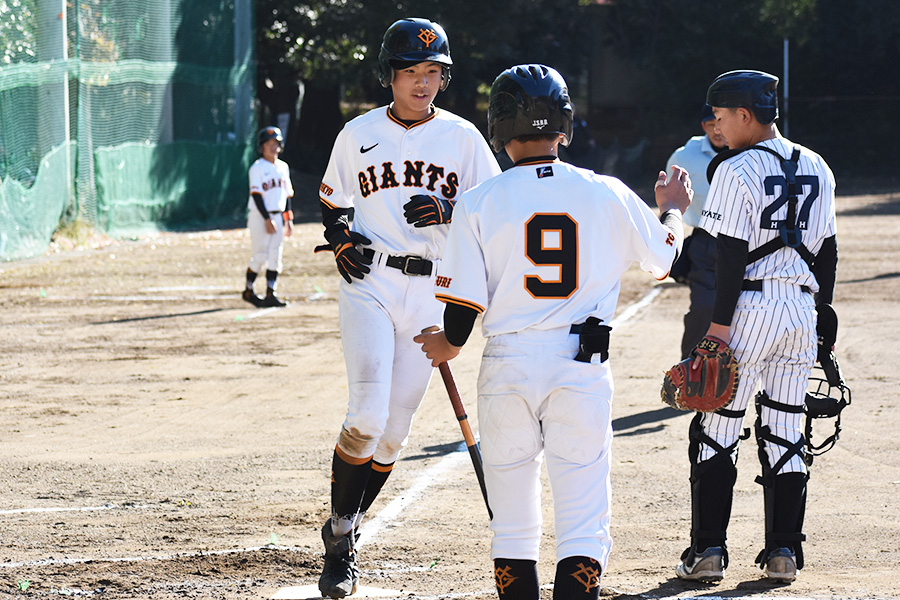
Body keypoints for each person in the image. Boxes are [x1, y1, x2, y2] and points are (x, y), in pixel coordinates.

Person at [414, 64, 692, 600]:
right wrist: (673, 211)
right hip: (579, 368)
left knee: (513, 524)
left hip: (508, 366)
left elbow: (460, 318)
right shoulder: (605, 191)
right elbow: (664, 260)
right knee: (583, 518)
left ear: (498, 127)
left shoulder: (477, 202)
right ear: (565, 124)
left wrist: (443, 344)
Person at [314, 17, 501, 599]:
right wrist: (341, 238)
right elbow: (333, 203)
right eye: (410, 72)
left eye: (432, 72)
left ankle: (348, 517)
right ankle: (343, 535)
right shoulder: (358, 133)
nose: (422, 83)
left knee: (393, 434)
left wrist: (448, 214)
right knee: (367, 415)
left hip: (431, 291)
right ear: (389, 76)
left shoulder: (465, 139)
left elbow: (494, 214)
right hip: (370, 282)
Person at [674, 70, 838, 585]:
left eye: (721, 118)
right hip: (801, 309)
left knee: (717, 425)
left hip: (749, 308)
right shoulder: (816, 162)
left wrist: (717, 328)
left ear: (745, 115)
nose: (716, 128)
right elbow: (828, 250)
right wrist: (823, 317)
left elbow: (729, 255)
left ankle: (707, 553)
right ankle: (784, 552)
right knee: (788, 426)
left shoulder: (735, 169)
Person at [666, 104, 728, 358]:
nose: (717, 130)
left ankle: (733, 378)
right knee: (703, 308)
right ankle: (687, 374)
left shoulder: (747, 150)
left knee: (744, 310)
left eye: (720, 123)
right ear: (704, 126)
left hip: (746, 242)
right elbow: (669, 195)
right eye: (710, 124)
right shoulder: (684, 156)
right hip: (705, 242)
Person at [242, 126, 293, 308]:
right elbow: (256, 195)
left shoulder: (283, 167)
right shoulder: (257, 168)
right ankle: (249, 290)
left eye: (276, 143)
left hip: (278, 216)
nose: (273, 147)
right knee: (260, 255)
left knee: (275, 255)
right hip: (259, 216)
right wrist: (266, 218)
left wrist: (288, 219)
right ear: (262, 147)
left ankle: (271, 292)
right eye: (269, 144)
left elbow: (287, 196)